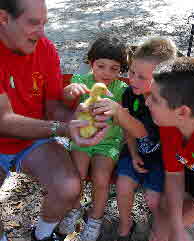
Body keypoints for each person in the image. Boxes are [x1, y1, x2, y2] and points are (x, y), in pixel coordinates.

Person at [0, 0, 109, 241]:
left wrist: (79, 118)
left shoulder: (45, 48)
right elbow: (4, 120)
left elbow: (51, 107)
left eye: (44, 23)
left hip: (32, 139)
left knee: (69, 187)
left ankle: (42, 235)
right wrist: (64, 129)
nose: (42, 32)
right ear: (3, 18)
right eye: (33, 23)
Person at [92, 37, 177, 241]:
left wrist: (119, 113)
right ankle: (125, 225)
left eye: (141, 77)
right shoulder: (131, 94)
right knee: (122, 186)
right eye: (131, 72)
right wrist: (132, 152)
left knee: (154, 200)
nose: (133, 80)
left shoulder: (163, 102)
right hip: (135, 153)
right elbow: (130, 132)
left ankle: (158, 230)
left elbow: (143, 131)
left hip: (161, 161)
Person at [62, 36, 128, 241]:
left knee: (101, 178)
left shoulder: (121, 90)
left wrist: (116, 110)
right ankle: (74, 209)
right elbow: (65, 99)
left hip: (108, 143)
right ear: (91, 64)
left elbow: (127, 118)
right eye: (101, 66)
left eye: (114, 69)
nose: (107, 73)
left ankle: (95, 219)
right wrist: (69, 91)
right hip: (82, 138)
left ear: (120, 70)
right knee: (77, 175)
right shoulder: (81, 82)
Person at [144, 56, 194, 241]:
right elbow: (174, 174)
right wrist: (177, 228)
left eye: (154, 99)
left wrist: (180, 225)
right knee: (162, 231)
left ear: (182, 112)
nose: (146, 103)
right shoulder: (169, 123)